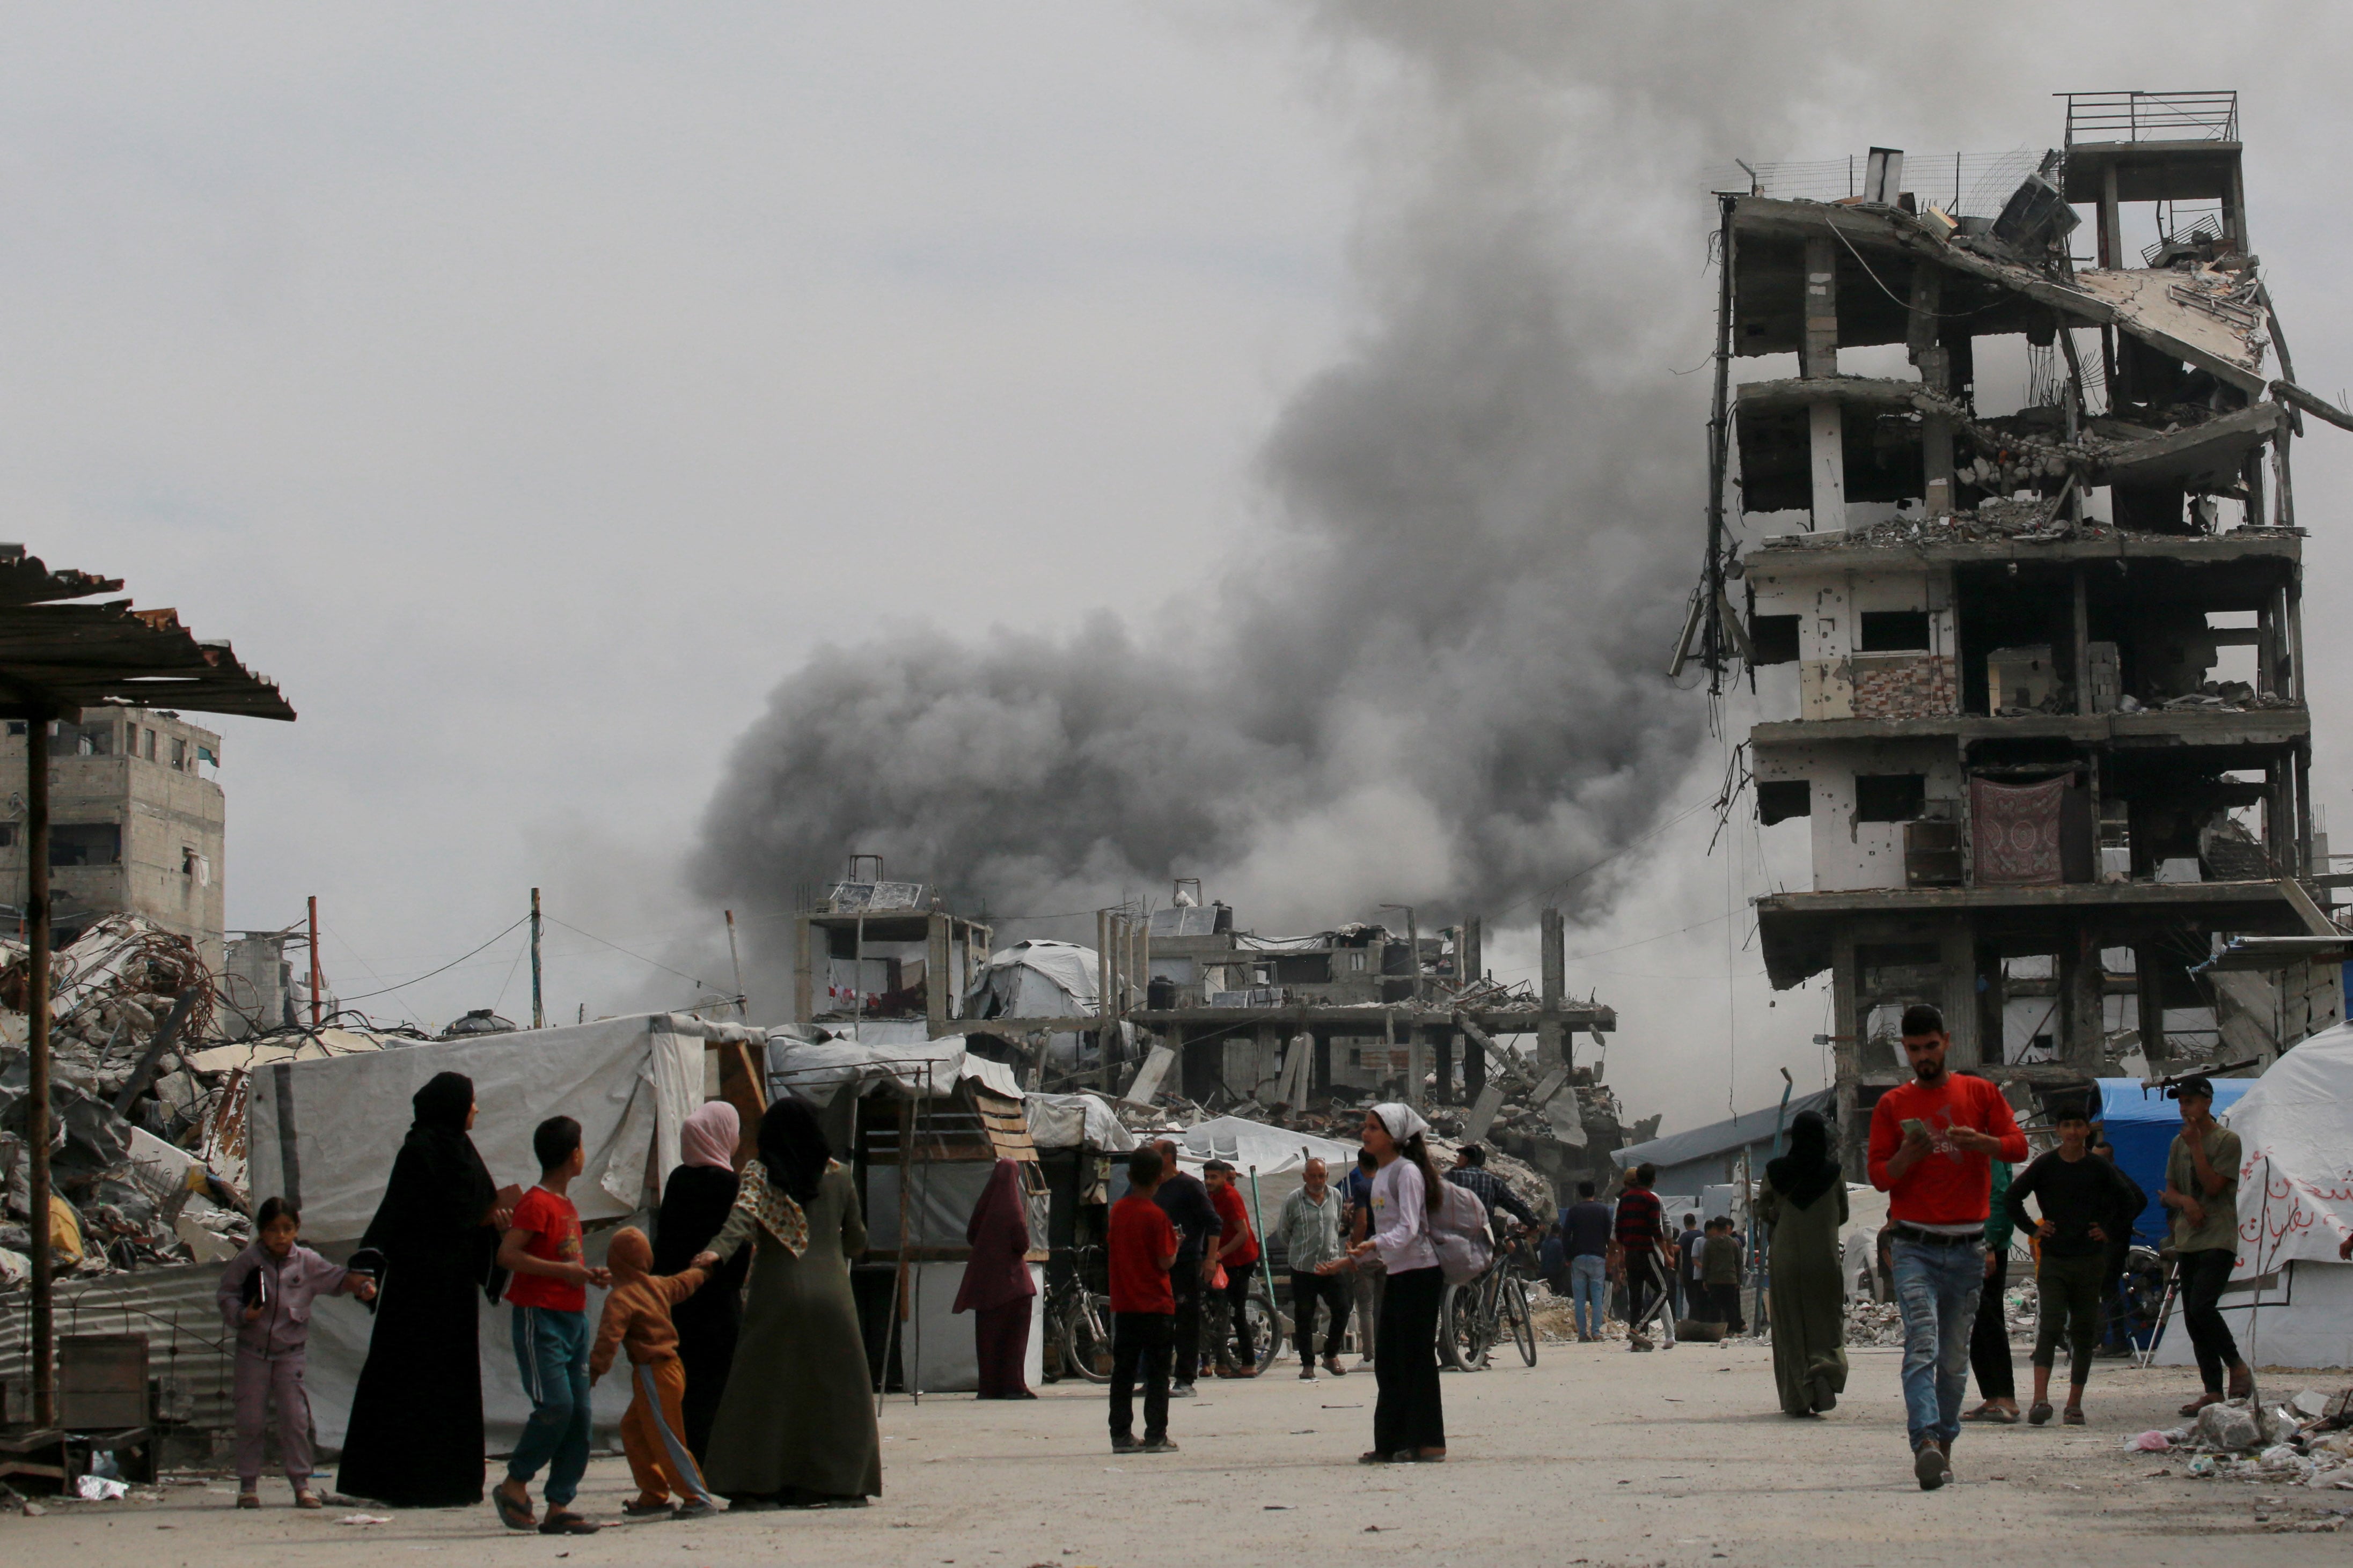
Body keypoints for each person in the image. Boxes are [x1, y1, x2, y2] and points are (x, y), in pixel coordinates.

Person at [338, 1072, 520, 1509]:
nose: (476, 1109)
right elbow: (404, 1217)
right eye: (471, 1102)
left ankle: (449, 1483)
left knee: (450, 1384)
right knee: (408, 1382)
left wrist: (493, 1225)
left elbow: (475, 1210)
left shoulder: (464, 1152)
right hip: (416, 1292)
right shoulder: (418, 1152)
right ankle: (398, 1483)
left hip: (454, 1292)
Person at [1868, 1003, 2028, 1492]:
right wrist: (1904, 1158)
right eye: (1914, 1050)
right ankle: (1924, 1442)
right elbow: (1878, 1177)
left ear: (1947, 1041)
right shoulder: (1892, 1105)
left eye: (1930, 1047)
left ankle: (1944, 1444)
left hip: (1966, 1246)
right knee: (1921, 1343)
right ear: (1906, 1051)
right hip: (1913, 1244)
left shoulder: (1980, 1093)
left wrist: (1982, 1142)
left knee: (1955, 1357)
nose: (1923, 1057)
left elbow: (2017, 1145)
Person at [692, 1098, 882, 1507]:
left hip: (775, 1293)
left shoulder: (759, 1174)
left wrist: (713, 1253)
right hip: (834, 1295)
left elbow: (739, 1222)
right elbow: (857, 1241)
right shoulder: (840, 1175)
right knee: (837, 1394)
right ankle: (839, 1483)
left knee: (763, 1393)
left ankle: (757, 1485)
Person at [493, 1115, 609, 1536]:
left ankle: (559, 1503)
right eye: (580, 1145)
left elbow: (565, 1262)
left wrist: (585, 1274)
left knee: (579, 1413)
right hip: (540, 1316)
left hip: (573, 1315)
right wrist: (563, 1273)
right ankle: (514, 1482)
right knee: (556, 1405)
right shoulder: (537, 1202)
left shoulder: (567, 1205)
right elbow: (509, 1255)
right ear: (571, 1153)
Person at [217, 1197, 375, 1508]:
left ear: (297, 1229)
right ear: (261, 1231)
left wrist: (361, 1285)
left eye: (287, 1229)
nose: (280, 1236)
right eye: (273, 1230)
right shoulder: (249, 1262)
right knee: (250, 1419)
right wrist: (242, 1315)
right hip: (253, 1352)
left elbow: (337, 1279)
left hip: (290, 1355)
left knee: (295, 1419)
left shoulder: (306, 1262)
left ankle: (302, 1485)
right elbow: (226, 1294)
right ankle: (248, 1485)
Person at [589, 1227, 717, 1520]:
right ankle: (654, 1494)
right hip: (672, 1370)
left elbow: (608, 1341)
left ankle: (697, 1496)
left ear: (613, 1261)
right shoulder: (657, 1286)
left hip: (653, 1373)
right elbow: (684, 1282)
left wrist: (592, 1374)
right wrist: (704, 1270)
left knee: (666, 1436)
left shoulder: (621, 1299)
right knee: (633, 1429)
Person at [1345, 1103, 1445, 1464]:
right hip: (1398, 1272)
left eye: (1373, 1127)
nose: (1365, 1132)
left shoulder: (1407, 1172)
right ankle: (1390, 1441)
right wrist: (1354, 1257)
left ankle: (1428, 1441)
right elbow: (1389, 1235)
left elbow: (1410, 1228)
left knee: (1415, 1359)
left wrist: (1375, 1243)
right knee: (1388, 1360)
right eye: (1365, 1126)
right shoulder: (1381, 1176)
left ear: (1393, 1135)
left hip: (1420, 1272)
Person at [653, 1101, 749, 1461]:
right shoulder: (729, 1183)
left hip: (678, 1302)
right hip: (718, 1303)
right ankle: (714, 1459)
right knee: (717, 1384)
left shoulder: (678, 1180)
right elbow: (736, 1245)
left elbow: (665, 1244)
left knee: (685, 1384)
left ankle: (683, 1457)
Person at [2158, 1076, 2250, 1417]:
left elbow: (2213, 1187)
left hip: (2218, 1236)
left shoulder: (2226, 1141)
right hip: (2189, 1239)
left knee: (2202, 1306)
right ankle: (2212, 1390)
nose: (2185, 1109)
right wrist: (2185, 1202)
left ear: (2207, 1103)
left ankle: (2237, 1365)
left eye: (2191, 1102)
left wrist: (2197, 1146)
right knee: (2195, 1320)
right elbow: (2168, 1192)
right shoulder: (2176, 1143)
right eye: (2181, 1103)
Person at [1757, 1109, 1847, 1417]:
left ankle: (1797, 1396)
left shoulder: (1775, 1170)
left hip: (1785, 1257)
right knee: (1826, 1320)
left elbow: (1763, 1209)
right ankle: (1824, 1370)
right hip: (1823, 1256)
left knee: (1789, 1326)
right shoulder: (1833, 1172)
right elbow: (1844, 1214)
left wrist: (1778, 1215)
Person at [1107, 1146, 1180, 1454]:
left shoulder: (1118, 1211)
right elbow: (1165, 1261)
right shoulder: (1156, 1216)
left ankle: (1121, 1435)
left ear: (1129, 1175)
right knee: (1158, 1373)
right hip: (1155, 1304)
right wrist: (1177, 1244)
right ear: (1160, 1178)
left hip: (1124, 1303)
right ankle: (1156, 1435)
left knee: (1123, 1372)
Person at [954, 1158, 1039, 1398]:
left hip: (986, 1283)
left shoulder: (986, 1203)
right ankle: (1014, 1385)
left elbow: (972, 1234)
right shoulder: (1013, 1206)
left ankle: (989, 1386)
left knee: (988, 1338)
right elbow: (1021, 1243)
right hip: (1014, 1284)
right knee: (1015, 1338)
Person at [1150, 1139, 1220, 1397]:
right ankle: (1156, 1377)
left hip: (1186, 1263)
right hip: (1157, 1266)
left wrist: (1210, 1259)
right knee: (1158, 1322)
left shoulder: (1190, 1186)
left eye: (1155, 1154)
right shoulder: (1152, 1187)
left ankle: (1185, 1379)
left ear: (1168, 1158)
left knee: (1186, 1321)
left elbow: (1214, 1223)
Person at [1277, 1157, 1351, 1380]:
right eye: (1313, 1176)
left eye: (1322, 1176)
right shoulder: (1294, 1200)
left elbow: (1337, 1225)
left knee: (1342, 1308)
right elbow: (1284, 1232)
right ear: (1305, 1177)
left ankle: (1330, 1355)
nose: (1318, 1180)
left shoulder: (1335, 1197)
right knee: (1304, 1315)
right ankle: (1307, 1364)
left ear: (1327, 1177)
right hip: (1303, 1267)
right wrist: (1301, 1250)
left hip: (1330, 1265)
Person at [1961, 1158, 2020, 1425]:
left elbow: (1998, 1195)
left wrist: (1990, 1244)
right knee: (1972, 1319)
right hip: (1965, 1239)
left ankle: (2006, 1396)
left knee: (1989, 1315)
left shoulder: (1988, 1147)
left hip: (1987, 1243)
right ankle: (1992, 1396)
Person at [1201, 1160, 1261, 1376]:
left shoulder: (1230, 1197)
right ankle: (1222, 1363)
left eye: (1214, 1177)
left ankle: (1249, 1363)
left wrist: (1219, 1254)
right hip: (1223, 1261)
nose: (1209, 1181)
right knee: (1218, 1309)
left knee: (1237, 1311)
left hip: (1240, 1260)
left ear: (1225, 1178)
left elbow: (1243, 1234)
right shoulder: (1211, 1196)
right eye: (1207, 1177)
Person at [2090, 1133, 2147, 1355]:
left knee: (2109, 1287)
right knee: (2107, 1288)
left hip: (2114, 1243)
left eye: (2101, 1160)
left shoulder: (2115, 1176)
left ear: (2111, 1160)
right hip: (2104, 1243)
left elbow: (2140, 1199)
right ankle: (2112, 1340)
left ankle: (2119, 1341)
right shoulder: (2099, 1179)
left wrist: (2117, 1228)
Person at [1614, 1164, 1674, 1351]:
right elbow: (1656, 1230)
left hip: (1630, 1252)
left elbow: (1619, 1229)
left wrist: (1621, 1255)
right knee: (1663, 1290)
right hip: (1647, 1252)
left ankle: (1635, 1344)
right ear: (1654, 1180)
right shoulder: (1651, 1199)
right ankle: (1638, 1328)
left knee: (1636, 1297)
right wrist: (1666, 1254)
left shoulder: (1624, 1199)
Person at [1445, 1145, 1540, 1242]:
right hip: (1480, 1244)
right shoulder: (1493, 1182)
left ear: (1465, 1159)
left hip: (1450, 1240)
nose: (1457, 1160)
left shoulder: (1451, 1177)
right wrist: (1533, 1224)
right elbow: (1515, 1203)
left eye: (1459, 1157)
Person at [1342, 1149, 1384, 1365]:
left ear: (1360, 1165)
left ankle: (1370, 1355)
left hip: (1368, 1251)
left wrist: (1355, 1252)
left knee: (1366, 1307)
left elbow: (1362, 1222)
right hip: (1388, 1250)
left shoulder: (1362, 1188)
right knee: (1383, 1306)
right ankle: (1388, 1352)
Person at [1561, 1181, 1614, 1342]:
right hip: (1598, 1257)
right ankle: (1596, 1332)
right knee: (1597, 1297)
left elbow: (1566, 1235)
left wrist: (1568, 1256)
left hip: (1578, 1258)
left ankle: (1582, 1334)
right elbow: (1609, 1236)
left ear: (1579, 1193)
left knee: (1579, 1299)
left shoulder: (1573, 1211)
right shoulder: (1603, 1210)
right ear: (1595, 1191)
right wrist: (1610, 1256)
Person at [1699, 1218, 1746, 1332]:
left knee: (1714, 1307)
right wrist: (1738, 1279)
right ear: (1726, 1228)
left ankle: (1715, 1330)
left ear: (1715, 1228)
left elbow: (1706, 1263)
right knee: (1730, 1307)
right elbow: (1739, 1262)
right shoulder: (1734, 1243)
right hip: (1730, 1280)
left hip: (1714, 1280)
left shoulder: (1709, 1243)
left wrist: (1704, 1279)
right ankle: (1731, 1330)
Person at [1675, 1213, 1705, 1320]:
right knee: (1700, 1297)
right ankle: (1700, 1319)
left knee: (1691, 1298)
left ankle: (1693, 1319)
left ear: (1685, 1224)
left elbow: (1677, 1249)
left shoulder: (1685, 1236)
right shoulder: (1702, 1235)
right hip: (1701, 1271)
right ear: (1695, 1222)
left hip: (1689, 1271)